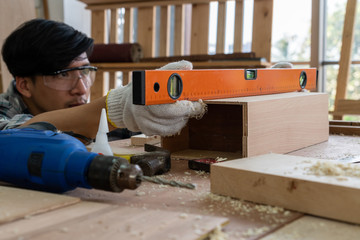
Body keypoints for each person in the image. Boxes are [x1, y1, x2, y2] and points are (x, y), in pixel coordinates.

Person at [0, 19, 205, 142]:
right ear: (25, 85)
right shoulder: (4, 111)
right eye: (63, 74)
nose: (81, 88)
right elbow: (12, 137)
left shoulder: (81, 114)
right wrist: (117, 108)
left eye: (85, 71)